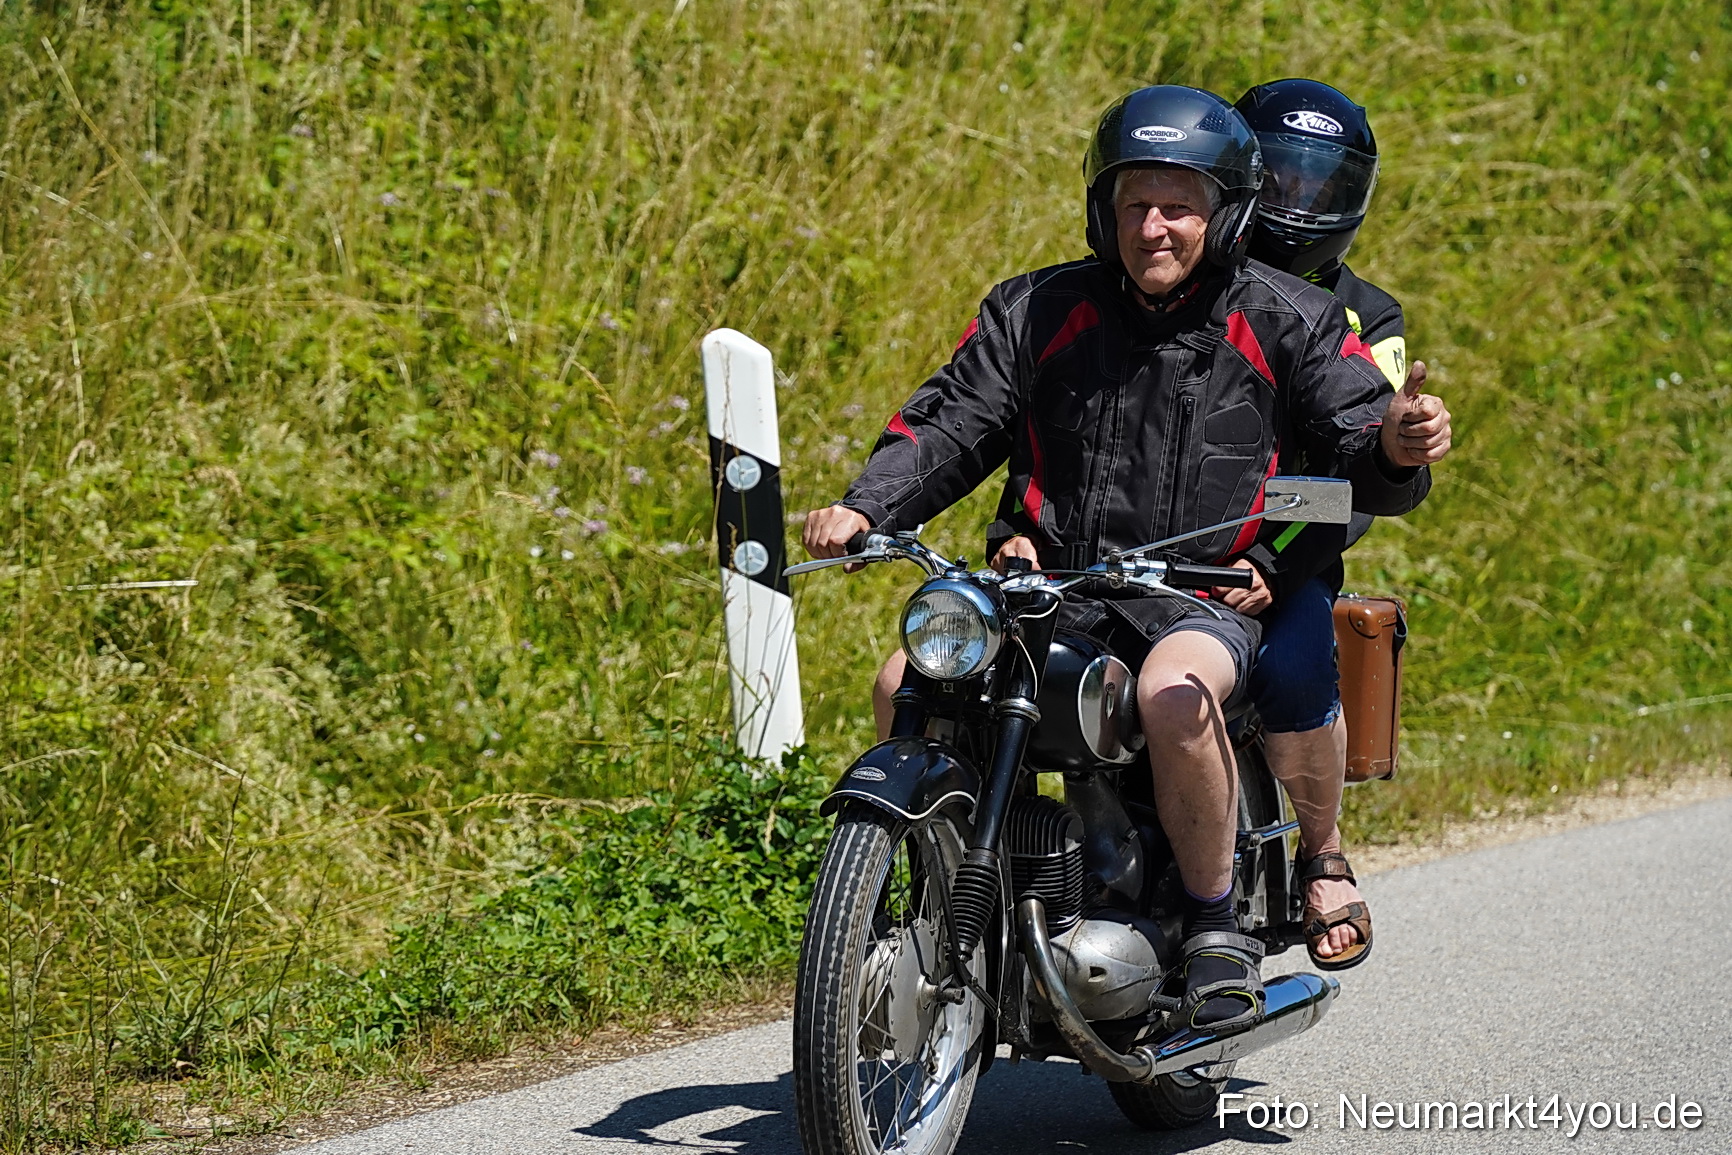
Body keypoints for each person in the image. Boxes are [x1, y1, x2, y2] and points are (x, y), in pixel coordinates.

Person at [803, 85, 1451, 1035]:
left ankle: (1215, 923)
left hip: (1196, 594)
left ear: (1224, 213)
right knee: (907, 675)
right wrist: (866, 507)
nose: (1156, 227)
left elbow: (1359, 441)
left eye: (1179, 205)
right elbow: (949, 422)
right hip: (1049, 586)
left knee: (1173, 694)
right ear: (1103, 209)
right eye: (1136, 203)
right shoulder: (1035, 307)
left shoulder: (1290, 316)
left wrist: (1396, 439)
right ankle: (950, 899)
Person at [1211, 77, 1448, 973]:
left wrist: (1279, 555)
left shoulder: (1366, 314)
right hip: (1158, 543)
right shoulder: (1184, 276)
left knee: (1295, 660)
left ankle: (1322, 851)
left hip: (1290, 546)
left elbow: (1356, 473)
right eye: (1280, 178)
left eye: (1323, 184)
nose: (1300, 202)